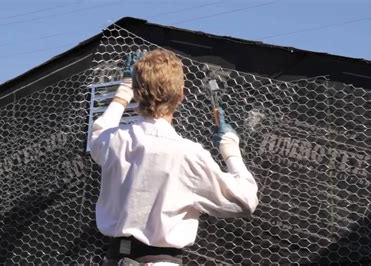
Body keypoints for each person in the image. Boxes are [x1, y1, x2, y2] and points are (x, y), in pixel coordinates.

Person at [89, 49, 258, 265]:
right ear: (181, 94)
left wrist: (124, 89)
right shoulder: (188, 154)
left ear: (137, 93)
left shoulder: (114, 141)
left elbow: (98, 133)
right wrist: (229, 147)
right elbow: (245, 201)